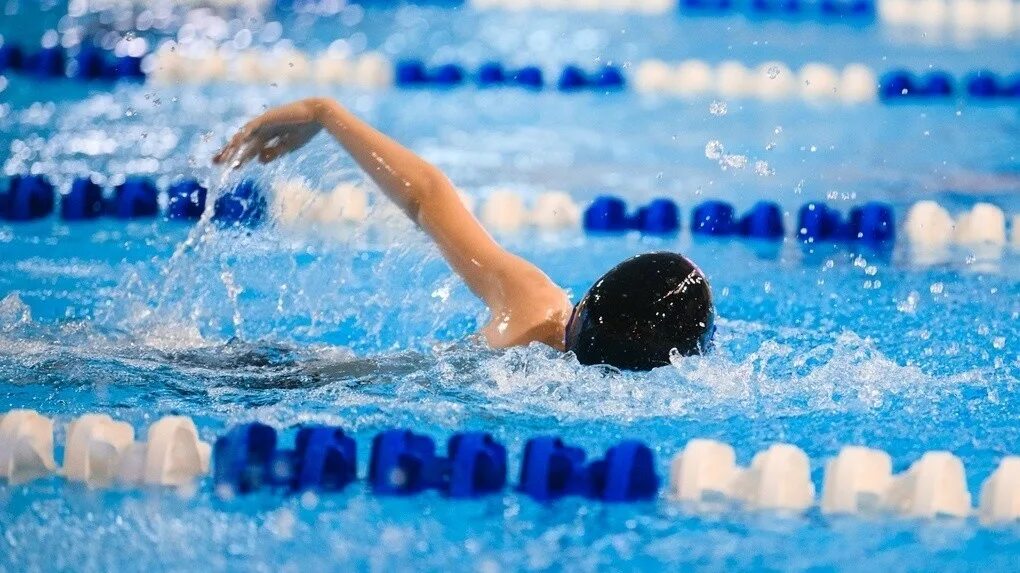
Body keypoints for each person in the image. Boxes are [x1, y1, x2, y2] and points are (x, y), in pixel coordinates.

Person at [214, 97, 714, 371]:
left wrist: (327, 113)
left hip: (291, 377)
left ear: (586, 303)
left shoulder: (535, 305)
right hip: (299, 381)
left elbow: (427, 196)